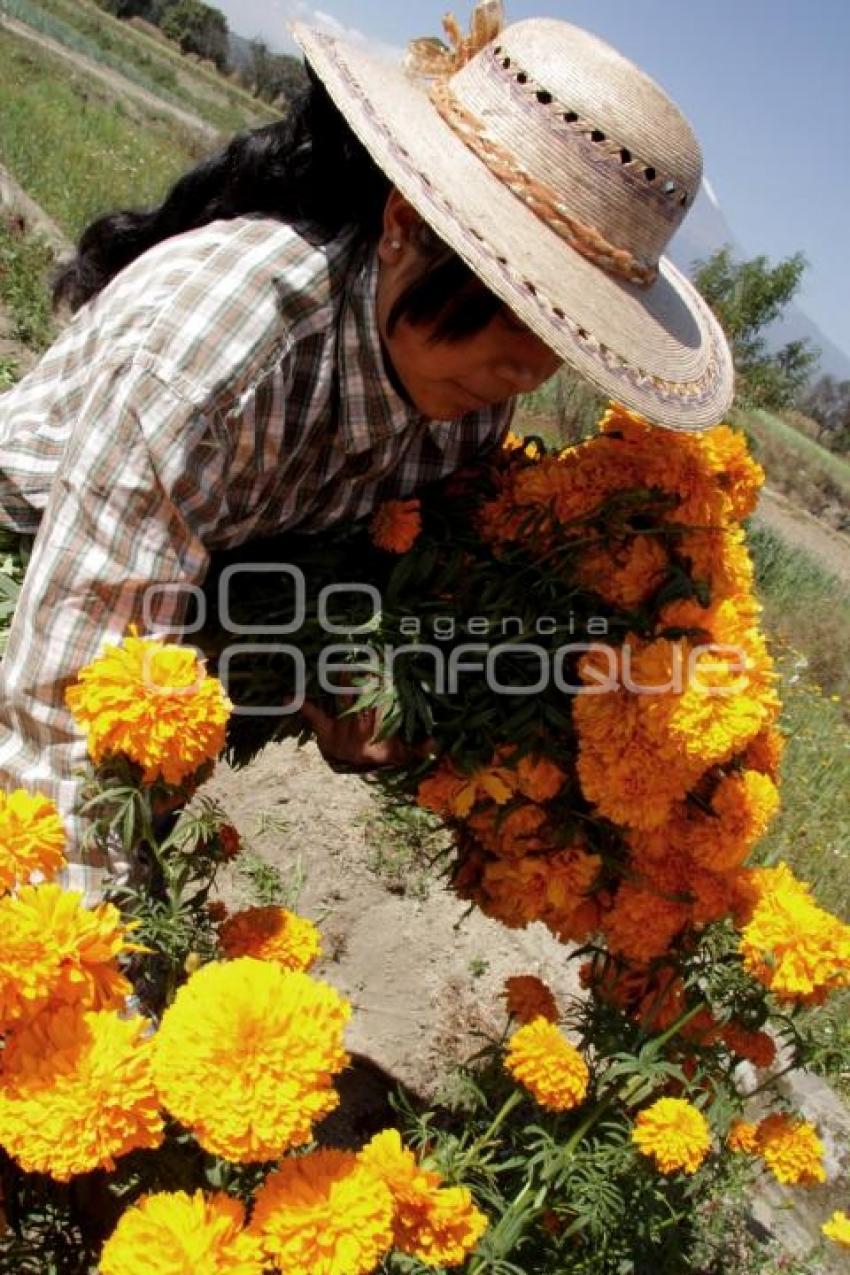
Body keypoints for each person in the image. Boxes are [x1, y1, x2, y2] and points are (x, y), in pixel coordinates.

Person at [0, 1, 734, 901]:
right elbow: (58, 700)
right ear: (402, 225)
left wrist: (360, 694)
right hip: (33, 565)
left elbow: (358, 591)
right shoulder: (217, 353)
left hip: (178, 610)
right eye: (512, 304)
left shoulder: (464, 409)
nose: (527, 369)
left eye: (564, 335)